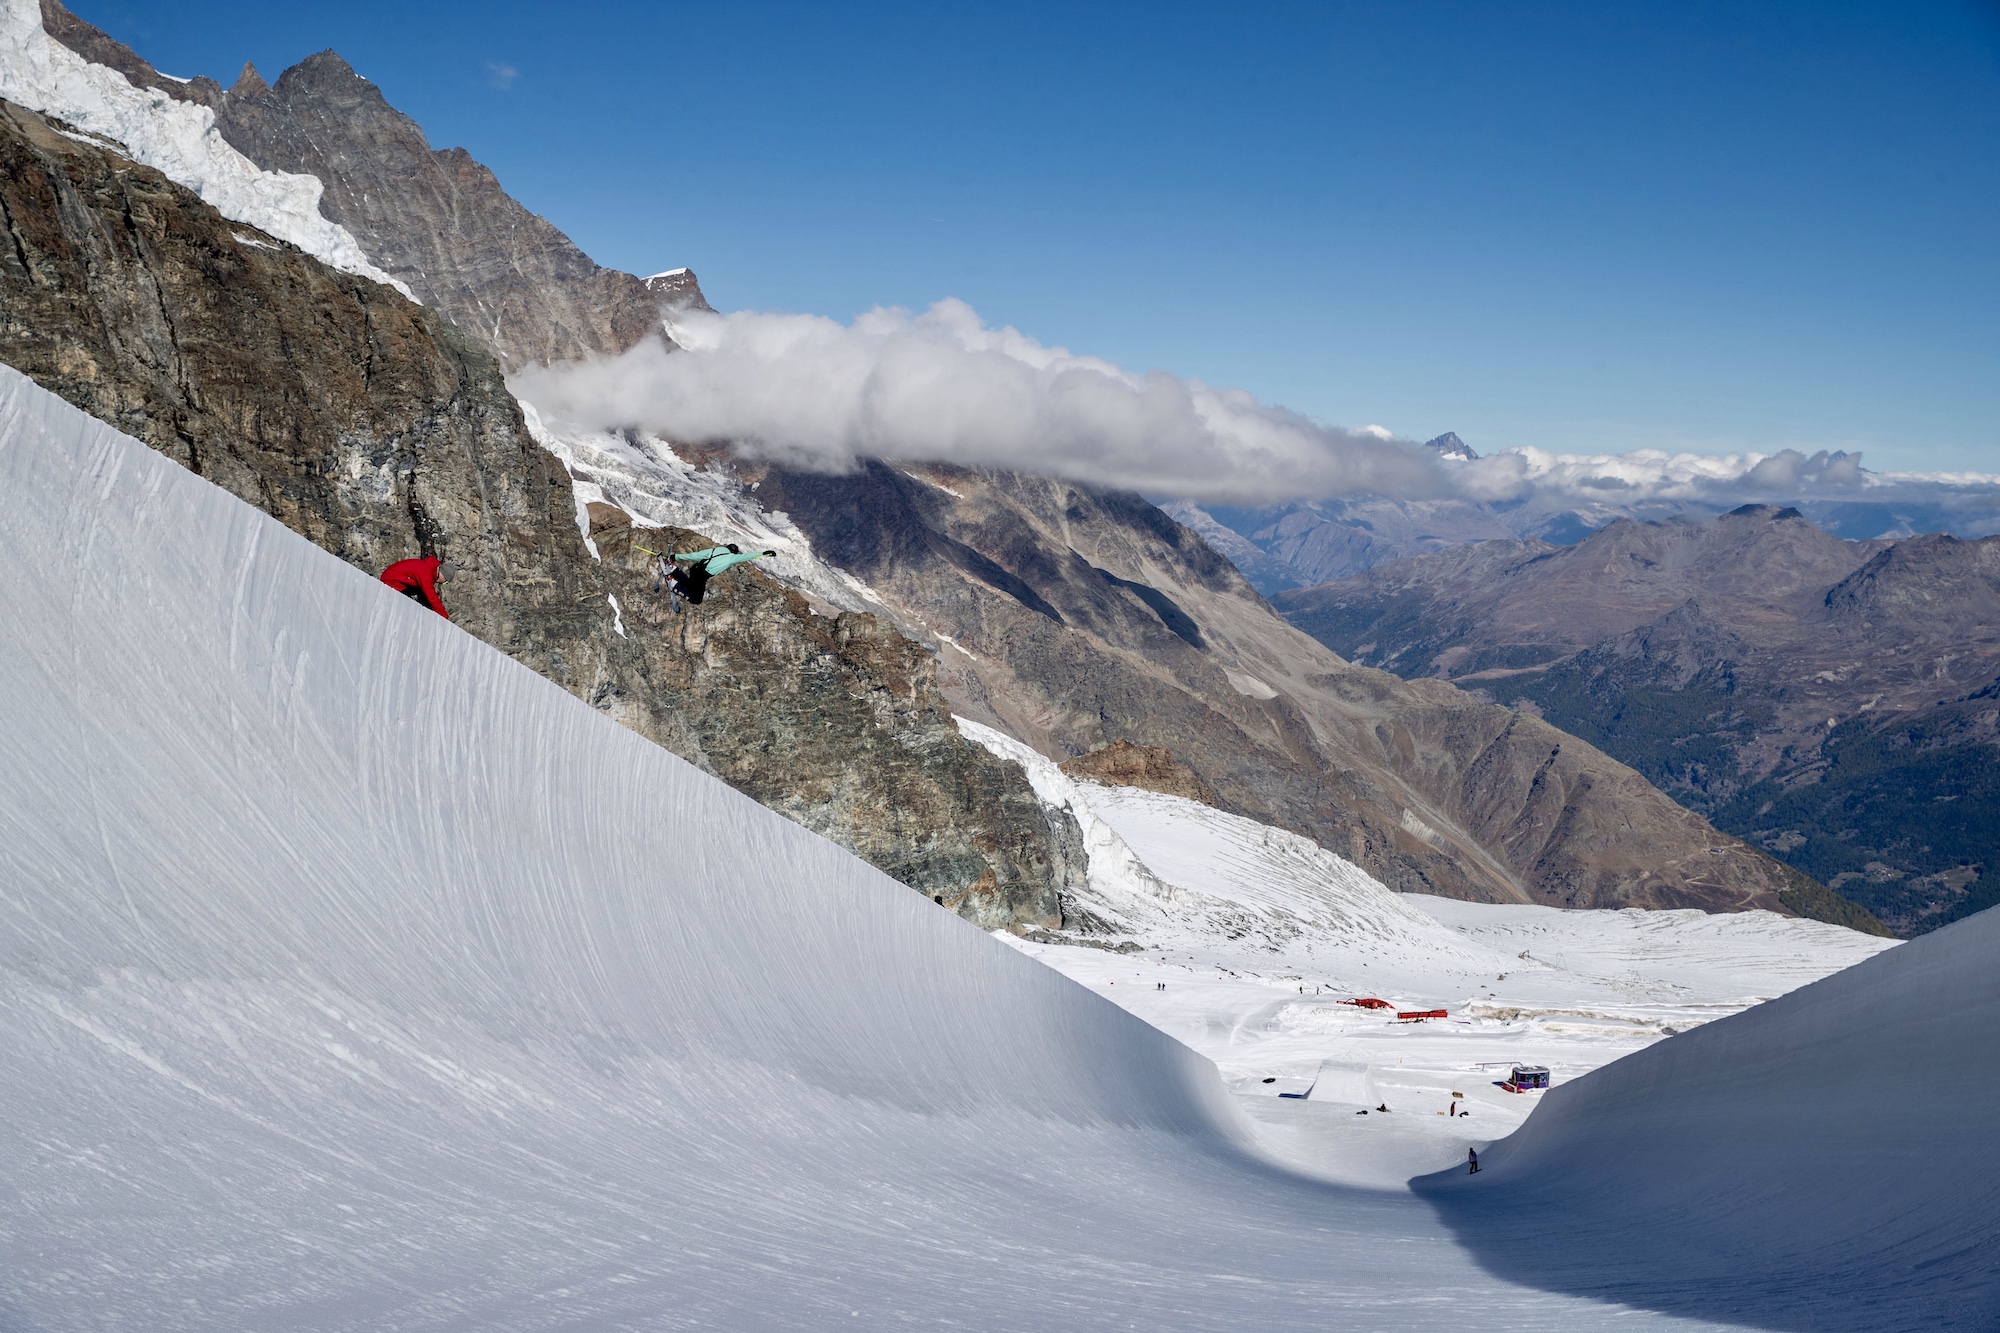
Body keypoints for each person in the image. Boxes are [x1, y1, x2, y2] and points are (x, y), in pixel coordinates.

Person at [661, 544, 777, 611]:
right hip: (703, 574)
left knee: (690, 585)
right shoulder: (731, 557)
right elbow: (746, 556)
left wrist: (676, 556)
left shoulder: (714, 551)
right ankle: (674, 585)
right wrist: (763, 554)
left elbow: (695, 555)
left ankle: (674, 571)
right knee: (696, 599)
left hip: (696, 569)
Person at [380, 556, 455, 619]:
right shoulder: (426, 572)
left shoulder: (431, 569)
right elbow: (431, 596)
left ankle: (428, 612)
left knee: (422, 594)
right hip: (391, 581)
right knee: (416, 599)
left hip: (399, 581)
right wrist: (444, 616)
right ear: (444, 576)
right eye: (446, 582)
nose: (443, 583)